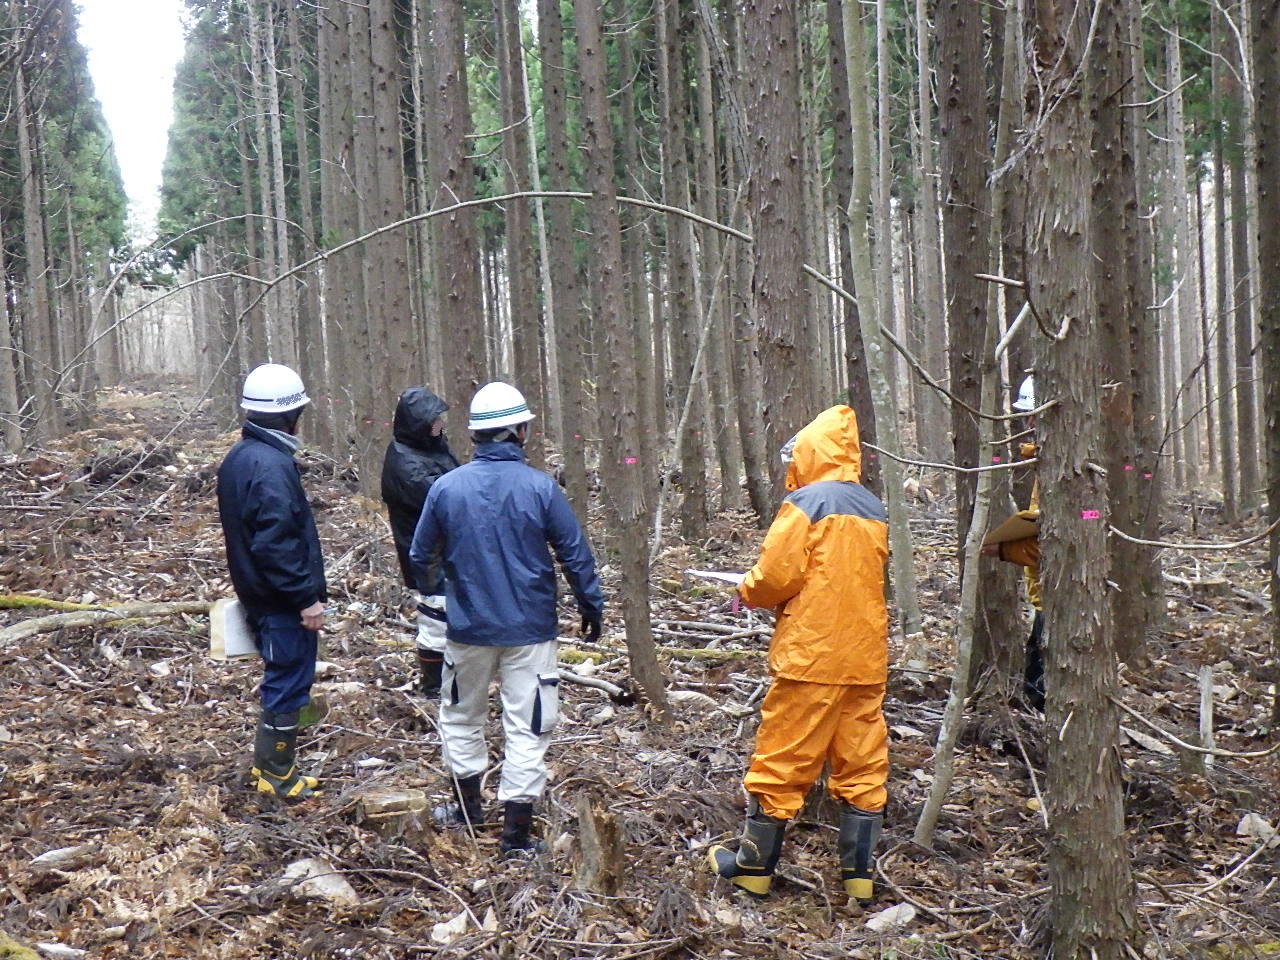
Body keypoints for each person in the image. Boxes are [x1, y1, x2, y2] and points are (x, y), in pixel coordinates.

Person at [409, 381, 604, 856]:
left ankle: (466, 810)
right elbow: (574, 554)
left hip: (468, 627)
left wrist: (447, 592)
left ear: (476, 435)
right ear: (519, 432)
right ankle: (515, 836)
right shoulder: (540, 487)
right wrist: (589, 605)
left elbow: (419, 556)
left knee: (460, 715)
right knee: (529, 724)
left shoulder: (447, 487)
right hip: (530, 629)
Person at [708, 405, 890, 901]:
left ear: (811, 450)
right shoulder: (874, 507)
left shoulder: (807, 503)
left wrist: (745, 590)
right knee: (862, 763)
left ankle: (752, 866)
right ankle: (859, 877)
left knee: (782, 757)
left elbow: (776, 576)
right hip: (865, 658)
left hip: (812, 657)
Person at [216, 363, 327, 800]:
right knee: (287, 682)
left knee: (286, 679)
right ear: (289, 415)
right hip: (280, 602)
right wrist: (305, 599)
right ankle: (277, 775)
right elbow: (274, 544)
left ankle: (275, 768)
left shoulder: (243, 457)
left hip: (263, 596)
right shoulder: (270, 466)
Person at [380, 387, 459, 696]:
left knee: (449, 616)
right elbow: (444, 499)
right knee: (435, 619)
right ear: (418, 424)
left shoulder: (435, 448)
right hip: (425, 556)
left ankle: (453, 682)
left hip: (447, 553)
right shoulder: (404, 462)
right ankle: (433, 688)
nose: (441, 425)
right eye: (435, 420)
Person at [981, 374, 1044, 710]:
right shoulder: (1044, 461)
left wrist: (1005, 549)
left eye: (1034, 415)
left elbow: (1079, 526)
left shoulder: (1067, 468)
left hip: (1058, 598)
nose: (1029, 422)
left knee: (1040, 686)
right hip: (1044, 595)